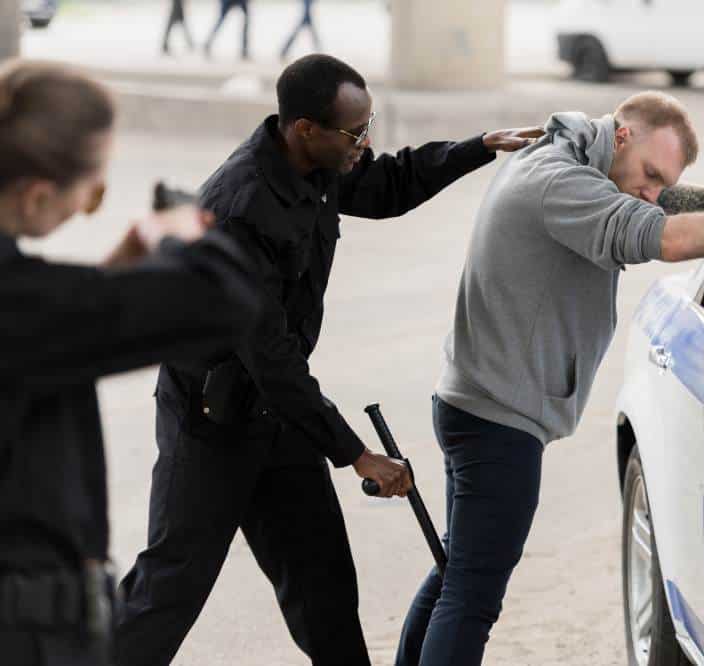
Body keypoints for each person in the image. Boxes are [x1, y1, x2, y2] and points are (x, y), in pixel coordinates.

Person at [114, 54, 543, 666]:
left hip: (280, 419)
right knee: (168, 592)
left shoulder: (323, 164)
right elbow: (271, 358)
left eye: (368, 127)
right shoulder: (239, 209)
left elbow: (391, 183)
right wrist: (357, 454)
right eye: (355, 132)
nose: (365, 144)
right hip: (212, 421)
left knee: (325, 594)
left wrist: (479, 146)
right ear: (304, 130)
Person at [395, 91, 704, 666]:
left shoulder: (575, 155)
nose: (652, 191)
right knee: (473, 595)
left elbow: (661, 202)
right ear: (625, 135)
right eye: (651, 174)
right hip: (496, 421)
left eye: (663, 181)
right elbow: (667, 236)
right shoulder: (561, 183)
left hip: (474, 402)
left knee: (458, 571)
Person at [0, 60, 261, 666]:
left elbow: (49, 337)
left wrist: (111, 281)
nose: (96, 202)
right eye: (92, 192)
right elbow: (222, 299)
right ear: (38, 195)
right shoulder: (21, 308)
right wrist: (178, 232)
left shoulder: (32, 313)